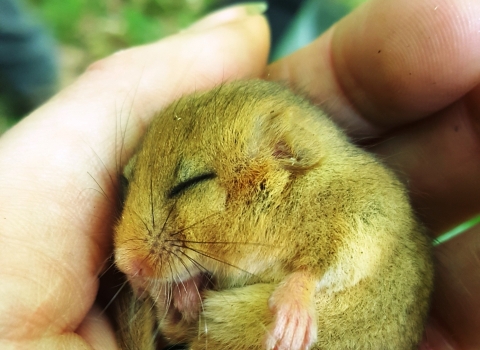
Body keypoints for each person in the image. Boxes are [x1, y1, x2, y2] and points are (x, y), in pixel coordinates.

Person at [0, 0, 478, 348]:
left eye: (188, 184)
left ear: (283, 154)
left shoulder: (343, 191)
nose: (127, 256)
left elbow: (366, 238)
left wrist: (304, 283)